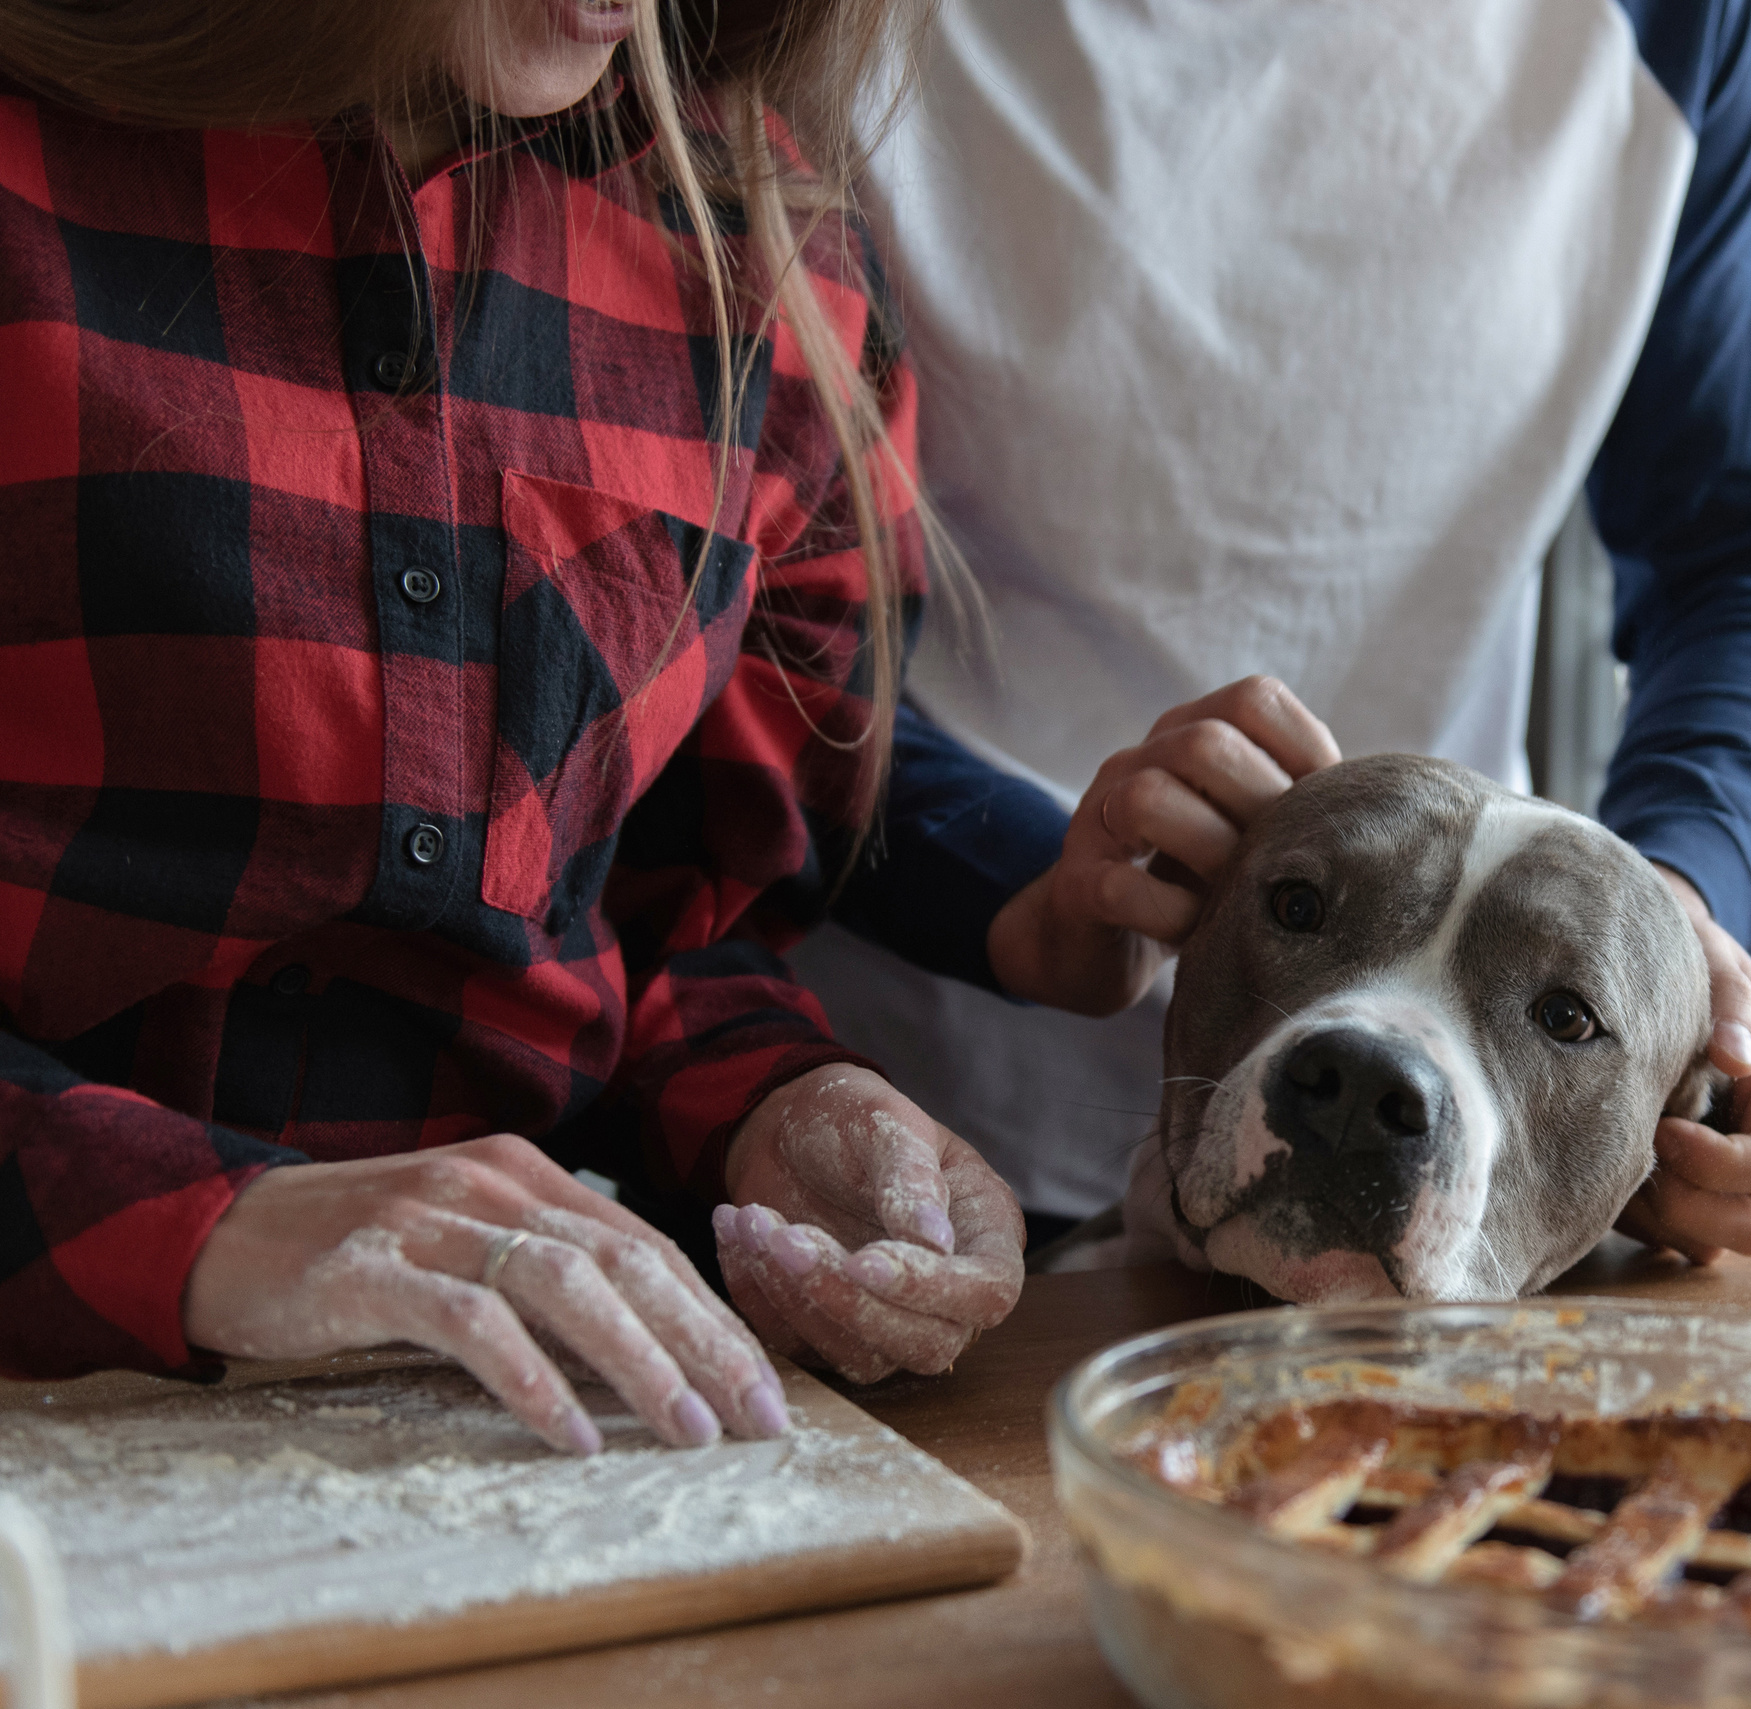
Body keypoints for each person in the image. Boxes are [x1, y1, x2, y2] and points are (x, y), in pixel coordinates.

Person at [0, 0, 1328, 1449]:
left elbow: (664, 927)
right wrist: (207, 1230)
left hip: (509, 1432)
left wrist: (780, 1112)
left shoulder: (772, 266)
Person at [794, 0, 1751, 1260]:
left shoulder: (1665, 27)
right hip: (879, 1100)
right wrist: (1026, 881)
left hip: (1462, 1168)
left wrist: (1659, 933)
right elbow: (731, 610)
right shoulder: (832, 29)